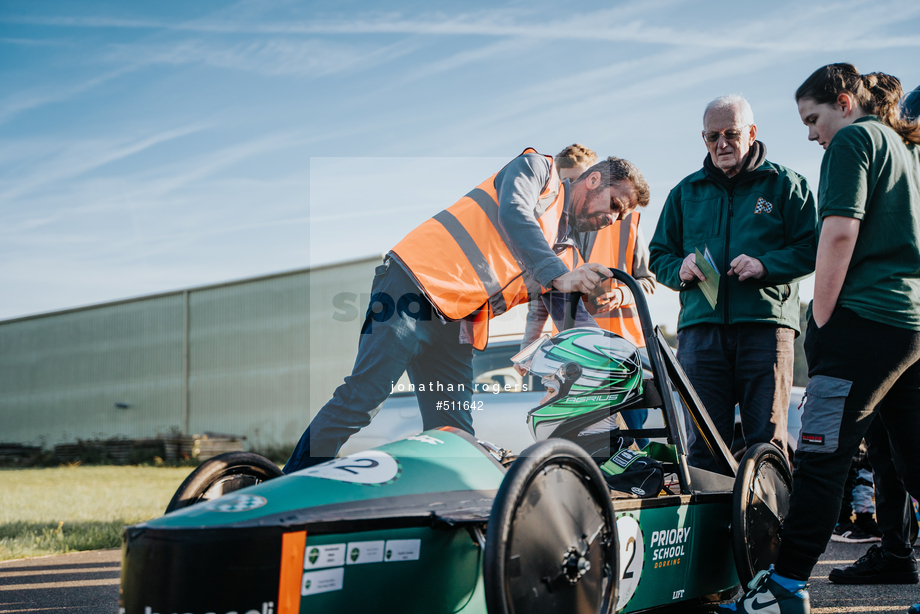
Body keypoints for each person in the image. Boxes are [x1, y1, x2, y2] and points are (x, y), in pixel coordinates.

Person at [284, 150, 650, 473]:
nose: (613, 220)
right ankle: (287, 487)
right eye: (616, 205)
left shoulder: (565, 254)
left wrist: (635, 364)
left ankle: (448, 517)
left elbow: (577, 326)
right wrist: (558, 275)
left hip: (455, 327)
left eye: (622, 217)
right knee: (362, 399)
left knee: (453, 432)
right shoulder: (539, 171)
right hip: (412, 289)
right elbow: (514, 212)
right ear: (594, 180)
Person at [716, 64, 920, 614]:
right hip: (909, 327)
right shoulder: (905, 150)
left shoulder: (855, 140)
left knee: (822, 455)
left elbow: (838, 231)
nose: (811, 133)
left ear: (845, 102)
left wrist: (824, 319)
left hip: (860, 324)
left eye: (814, 118)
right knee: (915, 460)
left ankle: (782, 589)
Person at [649, 95, 818, 472]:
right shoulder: (684, 192)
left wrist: (765, 265)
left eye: (731, 134)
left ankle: (767, 530)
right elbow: (658, 255)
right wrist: (679, 268)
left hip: (766, 330)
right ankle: (711, 531)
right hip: (700, 334)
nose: (721, 144)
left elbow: (812, 249)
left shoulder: (787, 185)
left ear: (752, 133)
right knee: (704, 444)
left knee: (767, 440)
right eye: (712, 136)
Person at [521, 144, 657, 445]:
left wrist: (621, 294)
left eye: (575, 180)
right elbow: (545, 290)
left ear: (593, 179)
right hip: (580, 349)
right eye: (565, 181)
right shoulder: (559, 226)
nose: (567, 191)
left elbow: (646, 281)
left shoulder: (628, 224)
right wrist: (530, 342)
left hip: (624, 348)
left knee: (635, 435)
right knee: (588, 439)